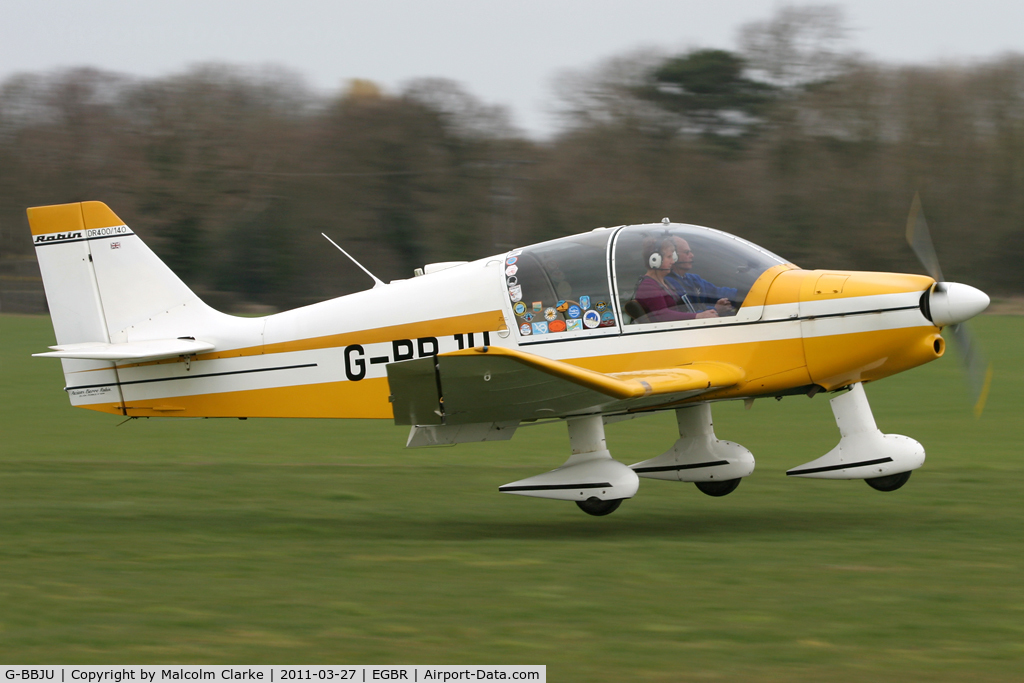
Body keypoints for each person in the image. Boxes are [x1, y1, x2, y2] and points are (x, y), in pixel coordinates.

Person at [633, 237, 720, 322]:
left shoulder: (664, 283)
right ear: (655, 260)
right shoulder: (648, 286)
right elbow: (663, 315)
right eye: (669, 257)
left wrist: (713, 309)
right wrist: (698, 316)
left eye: (673, 257)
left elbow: (679, 311)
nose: (673, 261)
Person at [665, 236, 738, 316]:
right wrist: (716, 310)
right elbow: (686, 316)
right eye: (687, 252)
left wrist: (743, 294)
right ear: (673, 256)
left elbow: (716, 292)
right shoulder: (667, 284)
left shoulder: (693, 279)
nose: (692, 255)